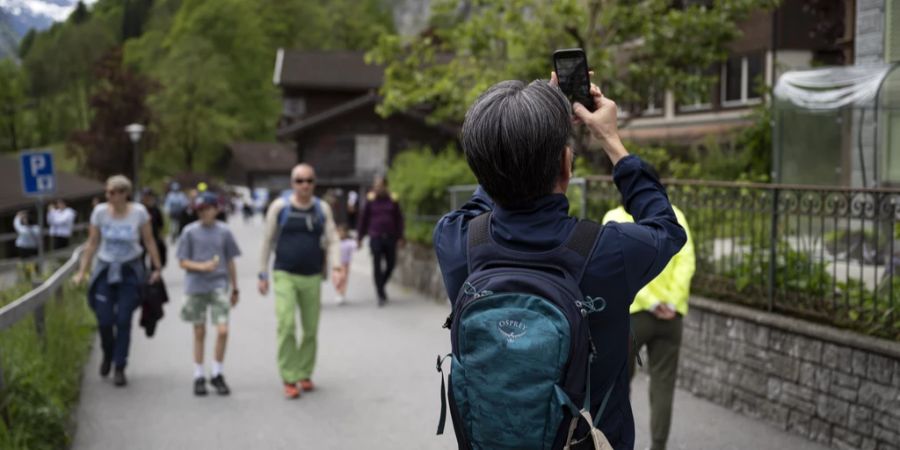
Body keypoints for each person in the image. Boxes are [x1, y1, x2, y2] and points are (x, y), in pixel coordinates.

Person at [432, 77, 685, 449]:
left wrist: (516, 127)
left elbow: (485, 190)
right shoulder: (608, 252)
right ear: (566, 166)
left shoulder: (457, 241)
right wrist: (611, 140)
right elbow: (666, 226)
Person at [603, 198, 695, 450]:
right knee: (663, 384)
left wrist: (651, 302)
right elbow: (686, 262)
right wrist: (672, 302)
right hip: (671, 317)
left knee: (618, 385)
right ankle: (658, 446)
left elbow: (617, 271)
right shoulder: (675, 214)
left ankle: (617, 443)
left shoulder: (614, 218)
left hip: (632, 317)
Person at [258, 163, 344, 399]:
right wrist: (261, 273)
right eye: (299, 181)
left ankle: (304, 373)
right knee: (286, 325)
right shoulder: (279, 207)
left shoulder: (321, 209)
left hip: (312, 275)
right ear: (292, 183)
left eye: (309, 181)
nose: (304, 185)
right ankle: (289, 376)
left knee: (310, 329)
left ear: (314, 183)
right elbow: (266, 240)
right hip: (284, 273)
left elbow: (333, 239)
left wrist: (337, 267)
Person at [74, 175, 162, 387]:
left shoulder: (139, 213)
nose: (109, 196)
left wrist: (156, 267)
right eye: (108, 192)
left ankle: (120, 365)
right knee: (104, 320)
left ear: (125, 194)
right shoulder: (100, 212)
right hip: (105, 268)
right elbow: (92, 243)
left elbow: (149, 240)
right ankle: (108, 353)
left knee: (123, 319)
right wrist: (82, 272)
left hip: (129, 270)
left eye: (114, 192)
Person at [177, 192, 241, 396]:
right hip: (196, 285)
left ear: (216, 209)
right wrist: (202, 266)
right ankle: (198, 374)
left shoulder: (224, 232)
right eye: (201, 210)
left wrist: (235, 287)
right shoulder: (189, 232)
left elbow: (230, 260)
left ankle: (217, 371)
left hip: (219, 284)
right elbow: (182, 261)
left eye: (209, 208)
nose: (205, 213)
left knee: (222, 330)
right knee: (199, 331)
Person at [356, 175, 404, 306]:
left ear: (385, 186)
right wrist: (359, 237)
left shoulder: (393, 199)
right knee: (376, 265)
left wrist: (400, 236)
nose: (377, 188)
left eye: (379, 186)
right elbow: (363, 219)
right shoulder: (370, 200)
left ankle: (381, 284)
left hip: (390, 237)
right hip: (375, 236)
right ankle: (380, 294)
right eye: (375, 186)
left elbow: (399, 219)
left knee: (391, 264)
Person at [141, 188, 167, 268]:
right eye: (145, 196)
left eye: (149, 196)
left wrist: (161, 237)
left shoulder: (156, 210)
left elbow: (160, 225)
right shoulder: (139, 209)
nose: (147, 198)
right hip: (141, 238)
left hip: (154, 237)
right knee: (141, 259)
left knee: (155, 257)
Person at [334, 224, 355, 305]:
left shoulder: (349, 242)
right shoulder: (335, 243)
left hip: (345, 264)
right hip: (336, 264)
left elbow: (355, 246)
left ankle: (341, 293)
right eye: (338, 232)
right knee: (337, 279)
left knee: (343, 278)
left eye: (342, 232)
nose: (340, 234)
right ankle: (339, 291)